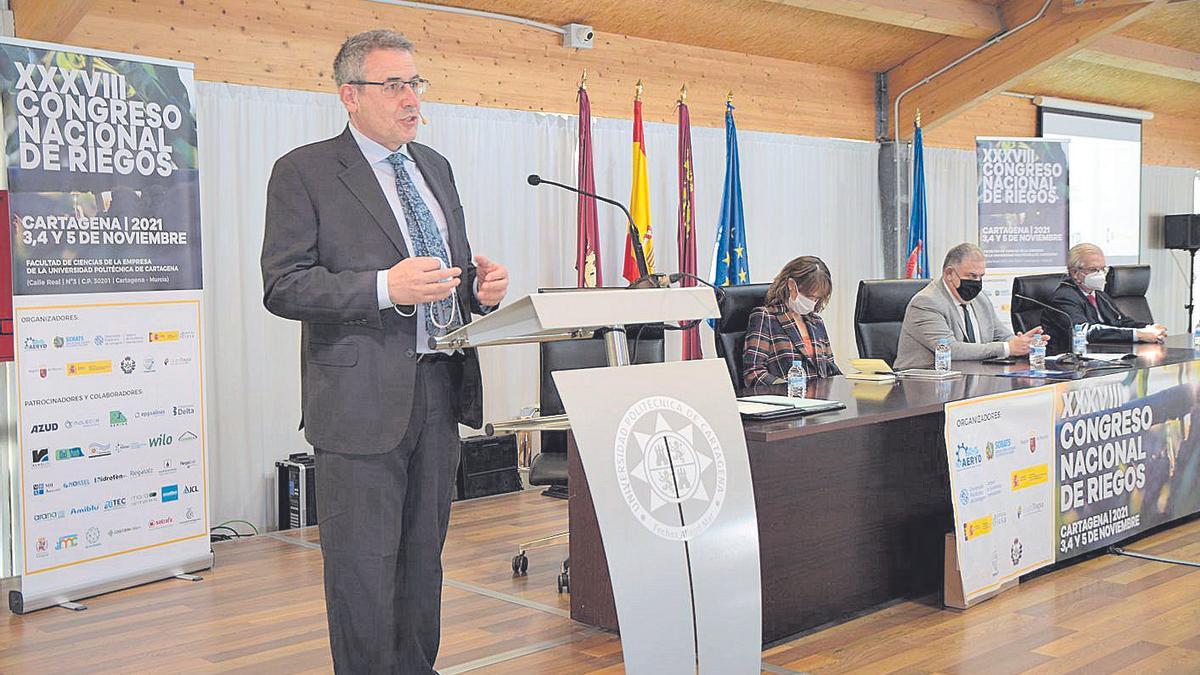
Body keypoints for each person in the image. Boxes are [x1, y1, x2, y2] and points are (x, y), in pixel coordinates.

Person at [260, 30, 509, 674]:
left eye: (415, 83)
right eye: (393, 85)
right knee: (362, 570)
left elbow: (445, 271)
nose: (410, 98)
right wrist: (382, 287)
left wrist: (478, 291)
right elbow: (284, 286)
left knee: (423, 558)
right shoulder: (305, 171)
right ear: (350, 95)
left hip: (438, 390)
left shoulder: (434, 167)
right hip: (358, 400)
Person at [895, 243, 1042, 370]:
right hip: (924, 383)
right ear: (949, 274)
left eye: (980, 277)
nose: (977, 282)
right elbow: (951, 349)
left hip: (972, 377)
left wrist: (1024, 344)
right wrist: (1008, 348)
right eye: (971, 276)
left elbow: (1000, 334)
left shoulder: (980, 298)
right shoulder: (926, 302)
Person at [1044, 242, 1165, 355]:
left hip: (1103, 355)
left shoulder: (1100, 295)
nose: (1101, 274)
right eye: (1093, 270)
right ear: (1075, 273)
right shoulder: (1064, 297)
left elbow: (1121, 322)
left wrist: (1148, 328)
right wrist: (1138, 334)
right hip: (1070, 362)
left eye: (1102, 269)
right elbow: (1085, 331)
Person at [743, 256, 841, 386]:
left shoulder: (816, 322)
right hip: (787, 400)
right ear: (791, 285)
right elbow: (753, 372)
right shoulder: (765, 316)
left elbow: (830, 368)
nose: (812, 302)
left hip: (821, 401)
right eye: (809, 296)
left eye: (817, 299)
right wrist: (790, 389)